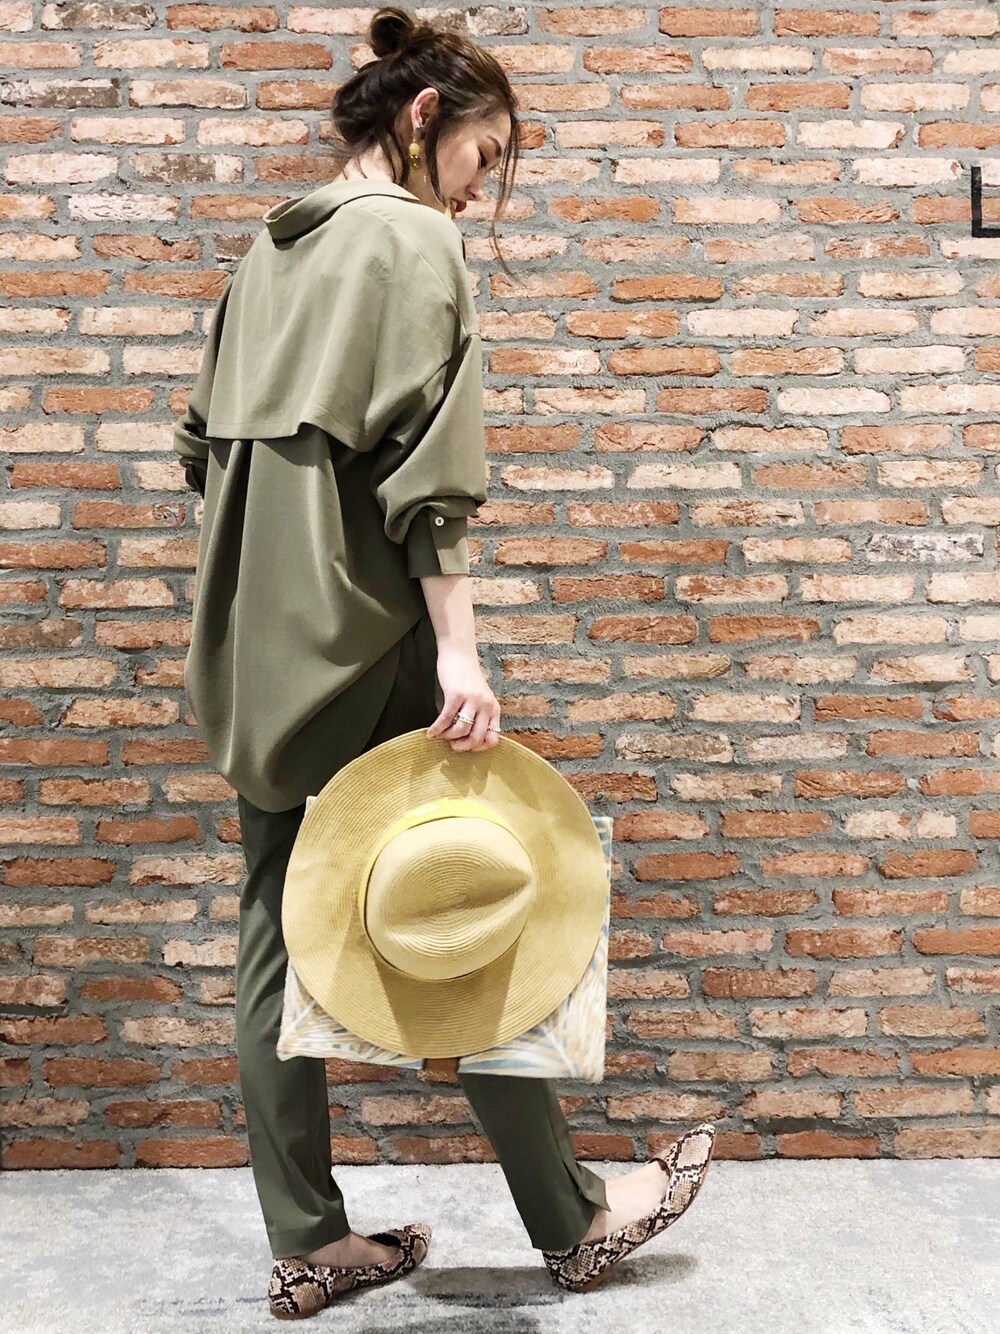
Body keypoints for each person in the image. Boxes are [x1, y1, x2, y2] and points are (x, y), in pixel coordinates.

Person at [172, 5, 714, 1316]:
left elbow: (198, 449)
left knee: (273, 927)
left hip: (251, 649)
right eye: (483, 156)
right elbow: (430, 480)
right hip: (369, 637)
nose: (478, 191)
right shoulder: (413, 243)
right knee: (471, 893)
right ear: (424, 120)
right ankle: (572, 1219)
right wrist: (457, 652)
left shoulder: (268, 249)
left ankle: (309, 1240)